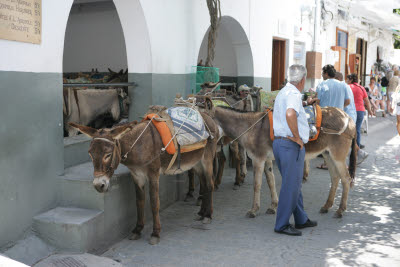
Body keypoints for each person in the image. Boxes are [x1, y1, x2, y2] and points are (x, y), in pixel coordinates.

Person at [273, 64, 317, 236]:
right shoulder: (293, 94)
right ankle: (281, 224)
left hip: (281, 144)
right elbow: (290, 114)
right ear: (303, 79)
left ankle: (301, 218)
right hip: (290, 145)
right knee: (291, 186)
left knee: (293, 184)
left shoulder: (284, 91)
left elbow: (289, 111)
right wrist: (297, 137)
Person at [308, 64, 350, 169]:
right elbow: (347, 101)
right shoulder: (342, 85)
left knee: (326, 142)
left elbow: (318, 101)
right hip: (340, 116)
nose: (322, 75)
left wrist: (311, 99)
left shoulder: (322, 85)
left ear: (326, 73)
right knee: (337, 140)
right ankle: (339, 162)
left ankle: (327, 163)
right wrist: (340, 107)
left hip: (326, 116)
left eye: (322, 73)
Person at [347, 73, 373, 164]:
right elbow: (367, 101)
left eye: (347, 79)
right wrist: (370, 111)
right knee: (357, 130)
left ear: (350, 79)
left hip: (350, 111)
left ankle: (354, 150)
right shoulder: (362, 88)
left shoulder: (348, 87)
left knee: (348, 131)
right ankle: (356, 151)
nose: (346, 81)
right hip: (361, 111)